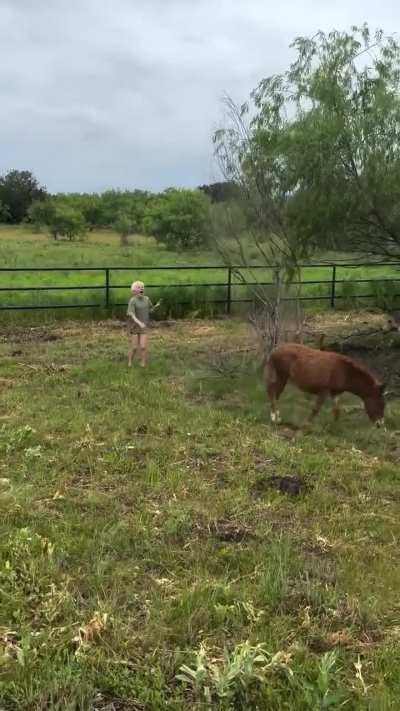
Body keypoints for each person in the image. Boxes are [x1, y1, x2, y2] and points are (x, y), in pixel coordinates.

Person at [127, 281, 161, 367]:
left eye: (142, 287)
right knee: (134, 347)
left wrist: (156, 306)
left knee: (143, 347)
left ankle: (143, 363)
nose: (141, 288)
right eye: (138, 287)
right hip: (134, 327)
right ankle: (130, 362)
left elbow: (150, 310)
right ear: (134, 291)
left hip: (144, 326)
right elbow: (132, 315)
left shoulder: (147, 299)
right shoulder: (132, 301)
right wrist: (139, 323)